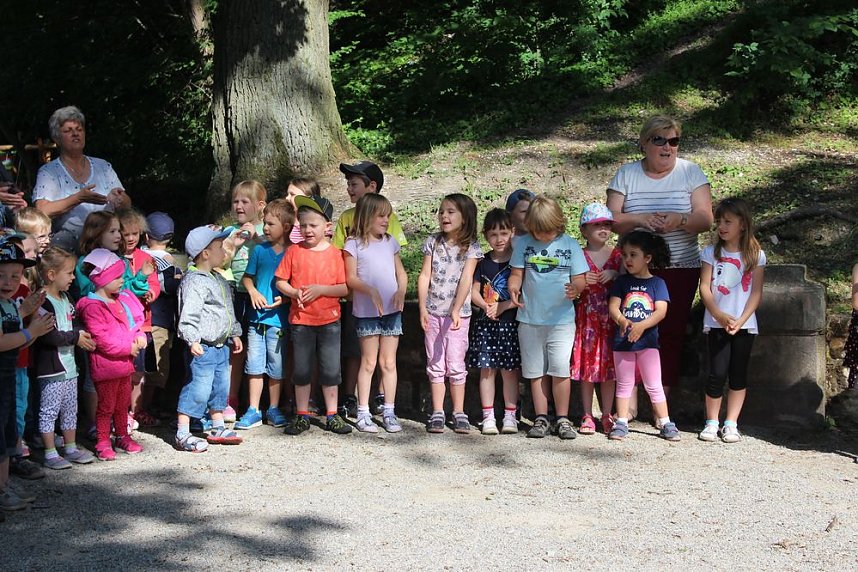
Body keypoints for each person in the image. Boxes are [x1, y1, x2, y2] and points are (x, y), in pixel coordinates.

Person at [606, 115, 714, 406]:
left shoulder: (691, 172)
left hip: (680, 267)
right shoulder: (626, 174)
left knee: (670, 332)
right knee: (628, 326)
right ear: (644, 143)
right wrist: (641, 219)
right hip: (634, 268)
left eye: (674, 141)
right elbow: (610, 220)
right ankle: (627, 400)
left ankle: (659, 402)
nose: (667, 147)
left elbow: (706, 219)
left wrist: (680, 220)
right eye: (659, 140)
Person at [508, 196, 587, 440]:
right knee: (535, 371)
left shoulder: (570, 245)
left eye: (549, 231)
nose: (543, 236)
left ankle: (562, 418)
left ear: (559, 223)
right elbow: (516, 273)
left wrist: (577, 288)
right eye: (539, 231)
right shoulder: (523, 244)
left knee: (560, 369)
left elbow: (581, 278)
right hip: (530, 319)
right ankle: (541, 417)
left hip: (561, 320)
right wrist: (513, 286)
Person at [334, 161, 408, 417]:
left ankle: (387, 407)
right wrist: (370, 290)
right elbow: (349, 275)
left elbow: (400, 271)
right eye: (381, 216)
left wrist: (401, 291)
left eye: (387, 216)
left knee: (388, 361)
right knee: (364, 358)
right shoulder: (352, 240)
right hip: (364, 310)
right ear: (367, 217)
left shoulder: (390, 241)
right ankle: (359, 405)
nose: (386, 221)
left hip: (391, 311)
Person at [275, 195, 351, 435]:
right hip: (301, 321)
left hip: (330, 321)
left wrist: (321, 291)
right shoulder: (293, 252)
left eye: (313, 225)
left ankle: (332, 413)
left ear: (327, 227)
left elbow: (347, 288)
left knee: (330, 369)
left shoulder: (337, 254)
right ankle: (301, 414)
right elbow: (280, 282)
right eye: (303, 225)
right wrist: (294, 292)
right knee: (301, 369)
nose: (307, 230)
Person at [698, 198, 766, 443]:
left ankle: (731, 422)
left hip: (744, 325)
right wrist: (718, 314)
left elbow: (756, 293)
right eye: (719, 222)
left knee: (738, 374)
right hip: (717, 322)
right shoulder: (711, 252)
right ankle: (711, 421)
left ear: (743, 224)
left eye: (728, 221)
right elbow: (704, 288)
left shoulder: (756, 255)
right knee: (716, 373)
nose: (722, 227)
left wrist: (741, 319)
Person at [175, 226, 244, 452]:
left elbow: (227, 310)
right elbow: (189, 313)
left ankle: (217, 425)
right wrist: (192, 339)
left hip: (220, 346)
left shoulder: (218, 278)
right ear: (205, 253)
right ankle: (183, 432)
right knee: (198, 386)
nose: (223, 251)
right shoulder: (195, 281)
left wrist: (234, 332)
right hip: (202, 346)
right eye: (218, 247)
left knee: (220, 386)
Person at [418, 193, 482, 434]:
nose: (444, 216)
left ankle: (459, 411)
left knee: (455, 363)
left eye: (451, 211)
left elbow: (466, 279)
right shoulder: (432, 242)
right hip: (433, 312)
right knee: (435, 361)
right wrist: (422, 307)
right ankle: (437, 411)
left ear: (465, 217)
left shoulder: (471, 247)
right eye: (442, 211)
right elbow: (425, 275)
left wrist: (456, 309)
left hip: (459, 315)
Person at [607, 231, 679, 441]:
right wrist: (622, 320)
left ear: (647, 258)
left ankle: (665, 421)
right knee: (624, 383)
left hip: (648, 343)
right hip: (622, 343)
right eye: (625, 255)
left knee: (653, 383)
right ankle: (621, 421)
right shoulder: (621, 282)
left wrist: (641, 326)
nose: (627, 260)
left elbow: (661, 311)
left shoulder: (658, 283)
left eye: (633, 255)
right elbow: (613, 307)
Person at [76, 249, 147, 460]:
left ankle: (122, 436)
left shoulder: (119, 301)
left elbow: (132, 324)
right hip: (106, 367)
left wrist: (139, 335)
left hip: (124, 366)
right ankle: (103, 441)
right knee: (105, 407)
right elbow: (102, 339)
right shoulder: (92, 306)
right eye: (117, 277)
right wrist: (128, 347)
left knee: (121, 405)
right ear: (101, 279)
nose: (122, 281)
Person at [0, 240, 54, 511]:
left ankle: (4, 485)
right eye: (1, 275)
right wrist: (30, 331)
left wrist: (29, 318)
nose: (8, 281)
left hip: (8, 379)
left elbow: (18, 341)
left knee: (10, 436)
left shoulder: (10, 305)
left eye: (14, 275)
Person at [33, 106, 131, 251]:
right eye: (68, 131)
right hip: (70, 245)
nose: (75, 134)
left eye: (79, 129)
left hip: (107, 241)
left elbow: (127, 204)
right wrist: (78, 198)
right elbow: (42, 211)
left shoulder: (103, 166)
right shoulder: (49, 172)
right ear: (57, 138)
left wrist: (119, 199)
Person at [33, 247, 96, 468]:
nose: (72, 278)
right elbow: (48, 335)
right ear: (51, 274)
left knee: (71, 408)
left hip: (70, 366)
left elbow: (74, 321)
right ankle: (50, 452)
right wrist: (75, 337)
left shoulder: (66, 297)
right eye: (69, 273)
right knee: (49, 410)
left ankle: (70, 447)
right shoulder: (41, 300)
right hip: (51, 367)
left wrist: (82, 334)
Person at [235, 198, 294, 430]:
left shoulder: (293, 252)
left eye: (270, 224)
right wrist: (252, 292)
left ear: (286, 227)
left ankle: (274, 408)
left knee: (276, 366)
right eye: (264, 223)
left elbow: (296, 284)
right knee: (254, 365)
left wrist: (286, 298)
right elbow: (247, 277)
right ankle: (253, 409)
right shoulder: (259, 250)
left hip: (279, 321)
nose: (265, 228)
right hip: (256, 319)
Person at [467, 208, 521, 435]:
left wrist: (503, 306)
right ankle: (488, 415)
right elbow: (473, 290)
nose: (499, 239)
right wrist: (485, 306)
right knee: (486, 370)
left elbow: (523, 294)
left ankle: (510, 415)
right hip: (485, 325)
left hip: (509, 323)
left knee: (509, 371)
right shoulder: (482, 261)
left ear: (512, 232)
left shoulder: (518, 262)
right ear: (485, 235)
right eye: (493, 234)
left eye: (503, 233)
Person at [571, 203, 621, 435]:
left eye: (606, 225)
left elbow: (632, 277)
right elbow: (570, 285)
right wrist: (582, 282)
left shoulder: (618, 255)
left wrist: (615, 274)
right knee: (587, 369)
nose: (603, 229)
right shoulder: (578, 255)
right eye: (596, 225)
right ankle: (587, 414)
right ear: (584, 230)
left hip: (611, 319)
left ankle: (607, 414)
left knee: (610, 370)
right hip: (587, 320)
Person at [224, 180, 267, 423]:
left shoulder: (266, 229)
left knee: (258, 349)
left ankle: (262, 403)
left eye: (245, 201)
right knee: (235, 348)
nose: (239, 206)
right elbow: (221, 261)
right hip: (235, 294)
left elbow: (274, 256)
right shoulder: (229, 230)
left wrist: (256, 238)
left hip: (260, 295)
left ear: (260, 205)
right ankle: (230, 398)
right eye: (235, 201)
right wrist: (230, 244)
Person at [117, 209, 161, 427]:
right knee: (125, 370)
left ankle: (137, 409)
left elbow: (154, 282)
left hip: (143, 323)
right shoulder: (115, 258)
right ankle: (122, 411)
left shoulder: (146, 257)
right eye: (126, 234)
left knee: (140, 371)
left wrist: (152, 293)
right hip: (122, 325)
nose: (131, 238)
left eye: (135, 233)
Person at [140, 211, 181, 412]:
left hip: (144, 317)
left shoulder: (140, 254)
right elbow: (168, 287)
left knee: (146, 362)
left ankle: (141, 406)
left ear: (146, 236)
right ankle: (149, 407)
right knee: (158, 364)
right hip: (159, 319)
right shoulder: (167, 262)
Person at [284, 177, 322, 245]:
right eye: (287, 194)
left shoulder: (319, 224)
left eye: (292, 194)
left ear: (307, 198)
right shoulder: (284, 221)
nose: (287, 198)